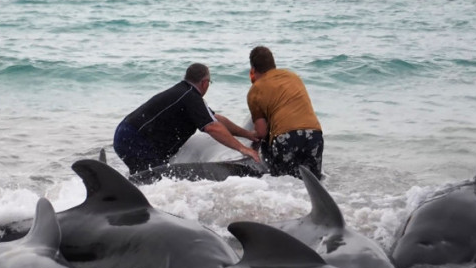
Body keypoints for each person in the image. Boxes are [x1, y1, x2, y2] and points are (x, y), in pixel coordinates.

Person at [113, 63, 260, 174]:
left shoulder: (186, 94)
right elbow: (212, 127)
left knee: (148, 176)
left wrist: (248, 135)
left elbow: (216, 120)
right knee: (155, 178)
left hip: (127, 134)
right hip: (134, 138)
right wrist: (243, 149)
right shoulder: (190, 97)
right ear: (205, 83)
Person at [246, 46, 324, 179]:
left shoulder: (255, 90)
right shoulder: (294, 77)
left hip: (286, 137)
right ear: (273, 64)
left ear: (253, 70)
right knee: (312, 183)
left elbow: (262, 132)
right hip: (314, 134)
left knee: (284, 182)